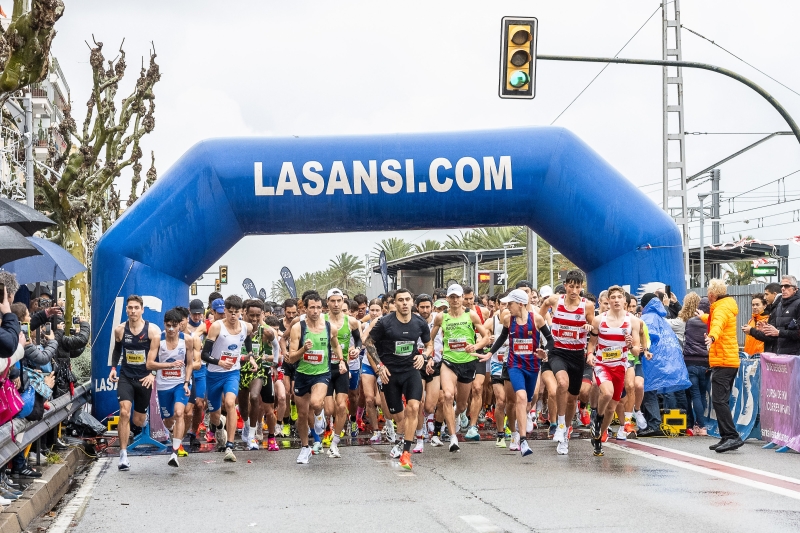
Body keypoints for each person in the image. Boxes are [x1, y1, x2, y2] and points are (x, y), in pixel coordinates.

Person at [364, 288, 432, 470]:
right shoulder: (385, 323)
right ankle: (401, 439)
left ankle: (406, 453)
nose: (404, 303)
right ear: (394, 303)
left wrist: (423, 356)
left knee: (414, 407)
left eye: (407, 299)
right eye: (400, 300)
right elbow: (368, 342)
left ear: (412, 302)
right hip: (390, 374)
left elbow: (429, 344)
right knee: (397, 414)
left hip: (411, 371)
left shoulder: (419, 322)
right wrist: (379, 366)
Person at [487, 289, 552, 456]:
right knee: (519, 397)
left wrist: (545, 352)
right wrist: (489, 353)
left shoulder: (536, 319)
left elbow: (550, 340)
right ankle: (522, 439)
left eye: (511, 304)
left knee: (528, 401)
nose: (508, 307)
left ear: (521, 304)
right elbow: (502, 337)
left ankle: (519, 428)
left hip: (532, 366)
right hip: (514, 365)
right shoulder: (508, 320)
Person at [429, 284, 491, 453]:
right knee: (448, 395)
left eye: (458, 297)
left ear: (463, 298)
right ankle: (453, 437)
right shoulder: (441, 317)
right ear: (447, 299)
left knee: (462, 405)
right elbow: (430, 339)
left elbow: (486, 337)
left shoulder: (470, 315)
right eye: (452, 297)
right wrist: (428, 353)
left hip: (467, 362)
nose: (455, 300)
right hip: (449, 361)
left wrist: (475, 346)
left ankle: (454, 416)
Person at [538, 270, 595, 451]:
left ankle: (566, 432)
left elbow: (594, 329)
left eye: (577, 287)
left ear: (581, 288)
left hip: (577, 354)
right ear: (565, 286)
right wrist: (539, 330)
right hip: (558, 352)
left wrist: (588, 326)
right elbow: (540, 315)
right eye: (571, 286)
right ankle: (560, 425)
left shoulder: (587, 306)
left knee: (573, 398)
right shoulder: (556, 300)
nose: (574, 290)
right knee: (562, 383)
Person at [587, 286, 642, 457]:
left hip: (620, 366)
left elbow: (636, 351)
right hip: (603, 364)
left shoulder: (632, 321)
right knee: (607, 393)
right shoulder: (599, 320)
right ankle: (596, 415)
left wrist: (630, 344)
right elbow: (592, 342)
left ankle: (598, 437)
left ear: (625, 301)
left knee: (612, 407)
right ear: (608, 301)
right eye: (613, 297)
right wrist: (590, 354)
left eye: (620, 297)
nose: (617, 300)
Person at [287, 293, 342, 464]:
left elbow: (336, 344)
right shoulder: (298, 328)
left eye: (319, 307)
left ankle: (319, 416)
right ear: (305, 308)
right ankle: (305, 448)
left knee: (317, 403)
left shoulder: (329, 327)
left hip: (321, 373)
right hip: (302, 374)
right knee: (302, 415)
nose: (316, 311)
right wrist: (304, 349)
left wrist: (341, 360)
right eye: (312, 307)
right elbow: (291, 358)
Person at [109, 295, 161, 471]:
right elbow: (117, 350)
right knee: (124, 412)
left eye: (136, 308)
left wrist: (153, 374)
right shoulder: (120, 330)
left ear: (142, 310)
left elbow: (157, 356)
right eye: (130, 308)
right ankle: (123, 455)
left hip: (144, 378)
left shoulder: (152, 331)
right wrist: (113, 368)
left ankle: (142, 423)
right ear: (126, 310)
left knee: (138, 420)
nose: (133, 311)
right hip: (126, 377)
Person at [201, 295, 254, 462]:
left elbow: (247, 340)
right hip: (214, 374)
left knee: (231, 403)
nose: (233, 316)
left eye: (236, 312)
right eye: (230, 312)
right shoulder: (216, 327)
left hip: (232, 372)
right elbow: (204, 355)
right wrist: (219, 362)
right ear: (224, 311)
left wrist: (250, 356)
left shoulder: (247, 327)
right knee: (215, 415)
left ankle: (230, 446)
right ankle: (219, 425)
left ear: (241, 312)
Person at [698, 279, 741, 453]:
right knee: (721, 400)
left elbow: (717, 324)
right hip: (727, 360)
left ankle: (732, 436)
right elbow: (715, 321)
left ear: (711, 294)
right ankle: (726, 436)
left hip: (724, 361)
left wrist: (712, 337)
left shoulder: (721, 308)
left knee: (719, 400)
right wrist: (702, 316)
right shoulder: (725, 306)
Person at [149, 309, 193, 467]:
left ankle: (174, 452)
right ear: (164, 325)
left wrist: (187, 382)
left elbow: (190, 364)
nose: (172, 330)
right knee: (168, 421)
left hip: (180, 383)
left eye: (175, 326)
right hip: (163, 385)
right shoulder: (157, 339)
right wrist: (169, 365)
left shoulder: (187, 340)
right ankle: (174, 430)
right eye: (168, 326)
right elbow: (149, 364)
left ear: (180, 326)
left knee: (179, 412)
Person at [322, 288, 362, 458]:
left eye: (339, 301)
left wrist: (357, 350)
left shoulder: (351, 322)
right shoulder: (320, 321)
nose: (336, 304)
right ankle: (324, 427)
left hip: (342, 367)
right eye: (333, 301)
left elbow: (359, 340)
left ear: (343, 302)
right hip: (323, 368)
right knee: (328, 409)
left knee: (341, 405)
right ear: (327, 303)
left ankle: (335, 442)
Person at [683, 294, 710, 436]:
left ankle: (699, 425)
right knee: (701, 394)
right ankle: (701, 425)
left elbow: (686, 338)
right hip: (705, 362)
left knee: (694, 395)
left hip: (690, 361)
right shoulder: (711, 323)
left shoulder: (690, 321)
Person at [756, 275, 800, 355]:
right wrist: (766, 330)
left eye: (787, 286)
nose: (783, 289)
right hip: (780, 355)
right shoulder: (779, 305)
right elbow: (775, 332)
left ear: (795, 289)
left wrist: (779, 332)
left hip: (795, 357)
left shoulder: (798, 304)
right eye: (781, 286)